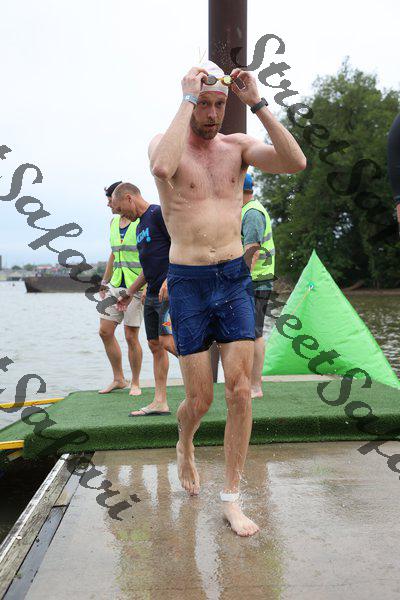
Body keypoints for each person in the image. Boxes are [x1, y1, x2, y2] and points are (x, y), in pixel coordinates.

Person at [147, 59, 306, 537]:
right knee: (199, 400)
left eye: (220, 104)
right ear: (190, 100)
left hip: (234, 278)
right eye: (205, 103)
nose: (213, 113)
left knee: (239, 390)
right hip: (189, 282)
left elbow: (295, 162)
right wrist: (187, 96)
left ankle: (232, 498)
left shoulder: (237, 147)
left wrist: (257, 102)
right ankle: (185, 443)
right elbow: (161, 167)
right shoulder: (166, 141)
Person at [111, 182, 178, 417]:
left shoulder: (158, 214)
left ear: (129, 198)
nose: (121, 215)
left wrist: (171, 278)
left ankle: (198, 381)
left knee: (168, 342)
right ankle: (160, 401)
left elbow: (180, 245)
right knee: (154, 344)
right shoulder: (139, 226)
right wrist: (130, 292)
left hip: (169, 291)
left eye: (120, 209)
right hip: (151, 293)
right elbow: (148, 267)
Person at [98, 182, 143, 396]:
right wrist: (104, 281)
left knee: (131, 336)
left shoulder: (140, 222)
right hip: (116, 284)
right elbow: (113, 254)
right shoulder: (113, 223)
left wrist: (146, 287)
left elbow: (150, 256)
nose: (109, 204)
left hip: (137, 286)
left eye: (110, 200)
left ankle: (135, 382)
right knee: (105, 331)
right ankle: (119, 379)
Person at [241, 173, 275, 398]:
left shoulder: (252, 213)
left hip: (256, 281)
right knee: (248, 332)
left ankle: (255, 386)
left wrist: (240, 281)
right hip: (253, 280)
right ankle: (249, 383)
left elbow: (252, 252)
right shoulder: (246, 209)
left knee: (254, 333)